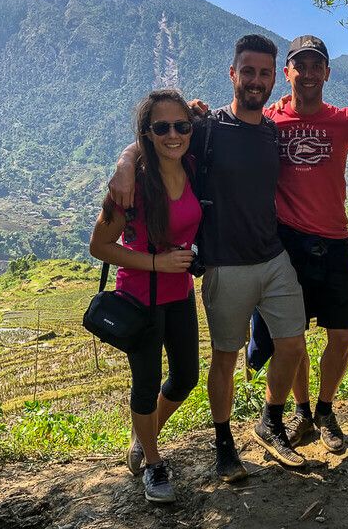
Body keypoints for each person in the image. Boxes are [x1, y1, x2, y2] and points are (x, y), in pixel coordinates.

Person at [109, 35, 309, 482]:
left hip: (273, 257)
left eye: (264, 72)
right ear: (233, 74)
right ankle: (223, 444)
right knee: (224, 358)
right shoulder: (206, 128)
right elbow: (158, 138)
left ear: (274, 77)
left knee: (293, 345)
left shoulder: (272, 130)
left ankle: (270, 421)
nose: (256, 80)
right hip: (225, 264)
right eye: (248, 71)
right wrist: (124, 162)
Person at [248, 35, 348, 453]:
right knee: (290, 334)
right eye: (301, 65)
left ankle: (325, 409)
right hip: (288, 244)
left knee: (341, 335)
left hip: (335, 241)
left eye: (317, 65)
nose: (309, 73)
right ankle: (301, 411)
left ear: (327, 73)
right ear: (288, 73)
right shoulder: (269, 121)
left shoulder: (343, 122)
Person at [89, 89, 201, 504]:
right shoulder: (130, 186)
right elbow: (99, 246)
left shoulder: (192, 165)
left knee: (187, 376)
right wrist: (156, 264)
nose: (173, 134)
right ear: (147, 133)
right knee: (146, 381)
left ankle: (143, 433)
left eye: (181, 125)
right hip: (141, 298)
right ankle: (153, 464)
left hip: (180, 293)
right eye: (162, 127)